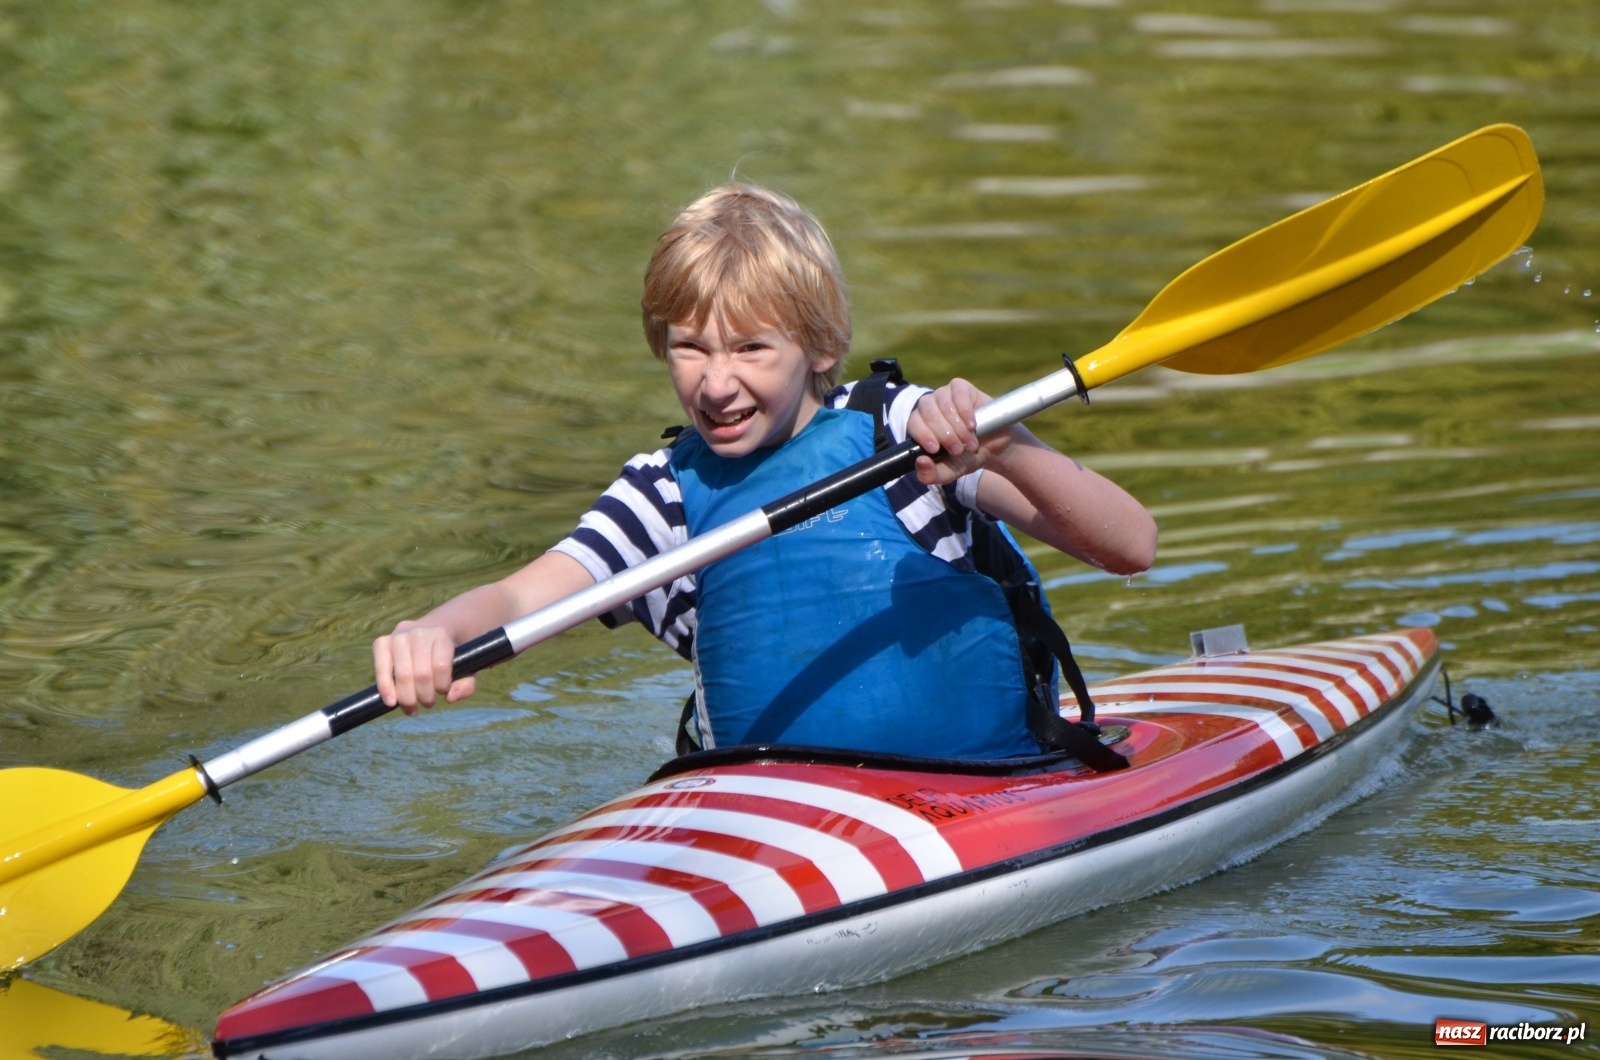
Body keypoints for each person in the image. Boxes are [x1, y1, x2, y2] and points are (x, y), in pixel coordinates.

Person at [373, 183, 1156, 760]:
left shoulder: (902, 431)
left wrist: (1003, 443)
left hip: (992, 789)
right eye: (691, 347)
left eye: (751, 349)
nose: (717, 384)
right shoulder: (664, 497)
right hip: (775, 823)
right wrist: (433, 631)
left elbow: (1131, 546)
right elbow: (519, 597)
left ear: (819, 347)